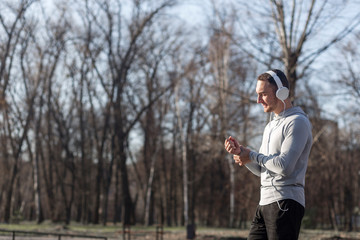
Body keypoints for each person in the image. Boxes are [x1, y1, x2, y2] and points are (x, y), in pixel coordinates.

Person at [224, 69, 312, 240]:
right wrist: (244, 155)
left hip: (285, 202)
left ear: (281, 92)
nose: (258, 101)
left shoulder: (297, 122)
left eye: (263, 94)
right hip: (265, 202)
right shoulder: (270, 126)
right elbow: (263, 170)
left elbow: (284, 167)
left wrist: (252, 154)